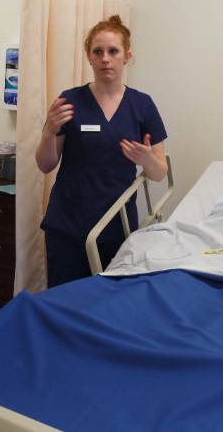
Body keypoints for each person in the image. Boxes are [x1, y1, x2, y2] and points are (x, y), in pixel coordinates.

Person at [35, 15, 168, 287]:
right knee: (64, 302)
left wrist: (147, 160)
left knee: (106, 304)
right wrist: (49, 131)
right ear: (89, 57)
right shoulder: (70, 100)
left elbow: (159, 173)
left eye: (113, 51)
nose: (105, 58)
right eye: (98, 52)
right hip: (68, 222)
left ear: (127, 56)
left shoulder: (142, 105)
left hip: (116, 225)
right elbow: (45, 164)